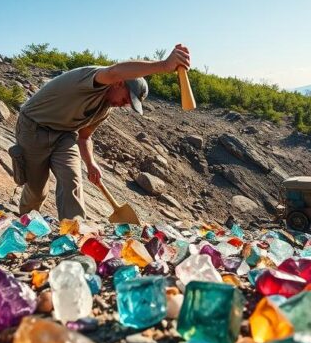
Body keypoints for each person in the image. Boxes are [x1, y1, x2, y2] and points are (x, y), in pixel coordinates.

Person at [10, 44, 191, 220]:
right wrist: (164, 66)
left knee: (72, 179)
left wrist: (91, 164)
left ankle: (74, 231)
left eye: (129, 103)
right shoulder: (92, 78)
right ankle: (26, 223)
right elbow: (114, 71)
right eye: (127, 98)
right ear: (119, 83)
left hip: (64, 135)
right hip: (34, 128)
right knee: (36, 189)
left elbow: (84, 137)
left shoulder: (105, 110)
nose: (124, 104)